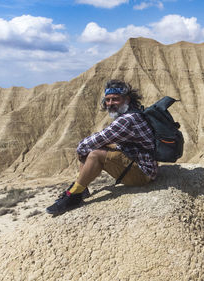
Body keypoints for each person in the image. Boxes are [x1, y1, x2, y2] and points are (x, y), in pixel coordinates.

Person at [46, 79, 158, 215]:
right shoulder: (133, 113)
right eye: (108, 100)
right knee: (94, 148)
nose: (110, 104)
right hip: (143, 165)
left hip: (143, 174)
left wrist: (84, 150)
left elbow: (88, 143)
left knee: (94, 153)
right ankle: (81, 189)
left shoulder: (126, 120)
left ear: (127, 99)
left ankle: (74, 194)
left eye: (115, 99)